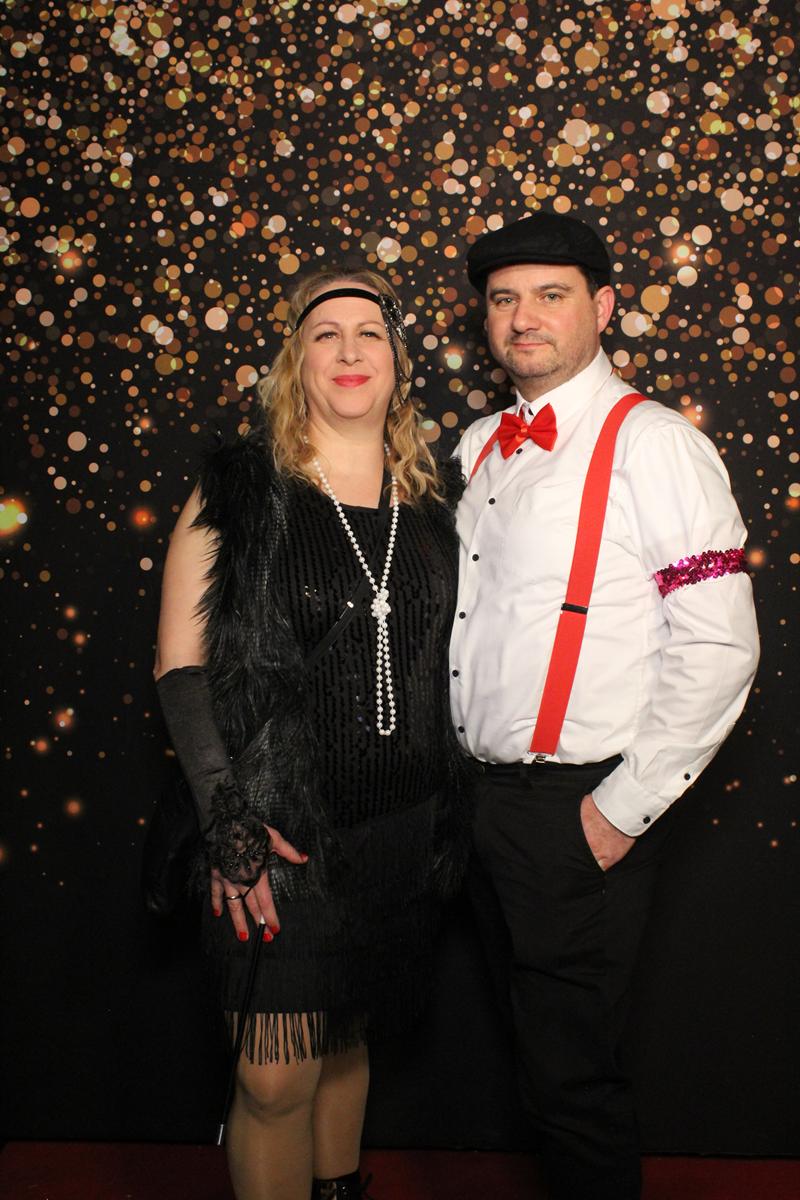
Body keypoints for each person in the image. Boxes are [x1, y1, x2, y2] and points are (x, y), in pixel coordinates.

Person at [450, 212, 759, 1200]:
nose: (523, 318)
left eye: (551, 295)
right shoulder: (475, 447)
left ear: (605, 307)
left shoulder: (654, 444)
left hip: (574, 807)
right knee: (521, 1062)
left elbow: (719, 644)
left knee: (572, 1082)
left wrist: (617, 813)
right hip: (472, 803)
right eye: (504, 299)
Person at [153, 268, 468, 1200]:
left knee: (341, 1044)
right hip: (278, 833)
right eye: (326, 333)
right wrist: (229, 822)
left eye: (370, 333)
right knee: (274, 1078)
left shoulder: (435, 500)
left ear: (397, 362)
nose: (349, 351)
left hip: (399, 830)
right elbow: (180, 668)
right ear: (297, 359)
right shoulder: (242, 490)